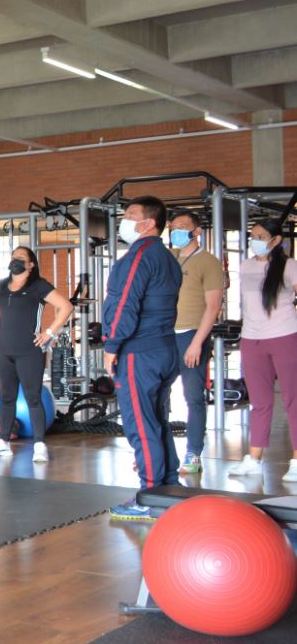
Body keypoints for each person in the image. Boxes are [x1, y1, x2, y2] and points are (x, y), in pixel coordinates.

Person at [105, 196, 184, 521]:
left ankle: (151, 495)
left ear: (149, 222)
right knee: (158, 420)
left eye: (130, 215)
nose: (124, 221)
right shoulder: (168, 258)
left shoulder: (139, 256)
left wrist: (112, 345)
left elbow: (125, 304)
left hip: (139, 352)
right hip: (165, 349)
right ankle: (169, 489)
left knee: (141, 424)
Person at [0, 246, 73, 461]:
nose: (16, 260)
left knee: (33, 397)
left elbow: (66, 307)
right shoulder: (1, 286)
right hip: (4, 351)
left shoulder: (38, 286)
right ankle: (3, 442)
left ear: (31, 265)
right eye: (13, 257)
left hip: (29, 351)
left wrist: (49, 333)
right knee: (6, 396)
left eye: (21, 258)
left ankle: (39, 445)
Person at [228, 218, 297, 483]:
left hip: (284, 336)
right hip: (251, 339)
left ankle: (296, 462)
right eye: (252, 235)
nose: (254, 240)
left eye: (260, 236)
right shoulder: (245, 266)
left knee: (293, 401)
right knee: (260, 402)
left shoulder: (290, 267)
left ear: (276, 240)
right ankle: (254, 460)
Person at [166, 211, 225, 474]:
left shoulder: (208, 262)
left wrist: (197, 343)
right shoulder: (171, 259)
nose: (177, 231)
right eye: (174, 227)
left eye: (183, 227)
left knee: (193, 397)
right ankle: (161, 451)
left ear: (197, 231)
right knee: (158, 396)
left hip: (192, 335)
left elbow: (213, 308)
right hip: (166, 335)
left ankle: (193, 454)